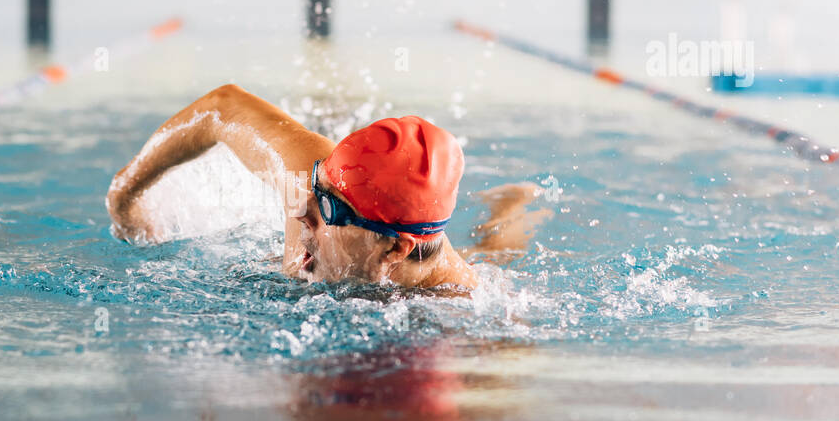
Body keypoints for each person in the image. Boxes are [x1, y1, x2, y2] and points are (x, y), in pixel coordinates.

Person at [107, 84, 545, 290]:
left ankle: (509, 208)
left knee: (494, 258)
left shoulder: (464, 311)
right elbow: (222, 107)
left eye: (328, 210)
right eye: (315, 189)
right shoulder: (313, 183)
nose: (300, 213)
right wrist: (125, 195)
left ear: (393, 250)